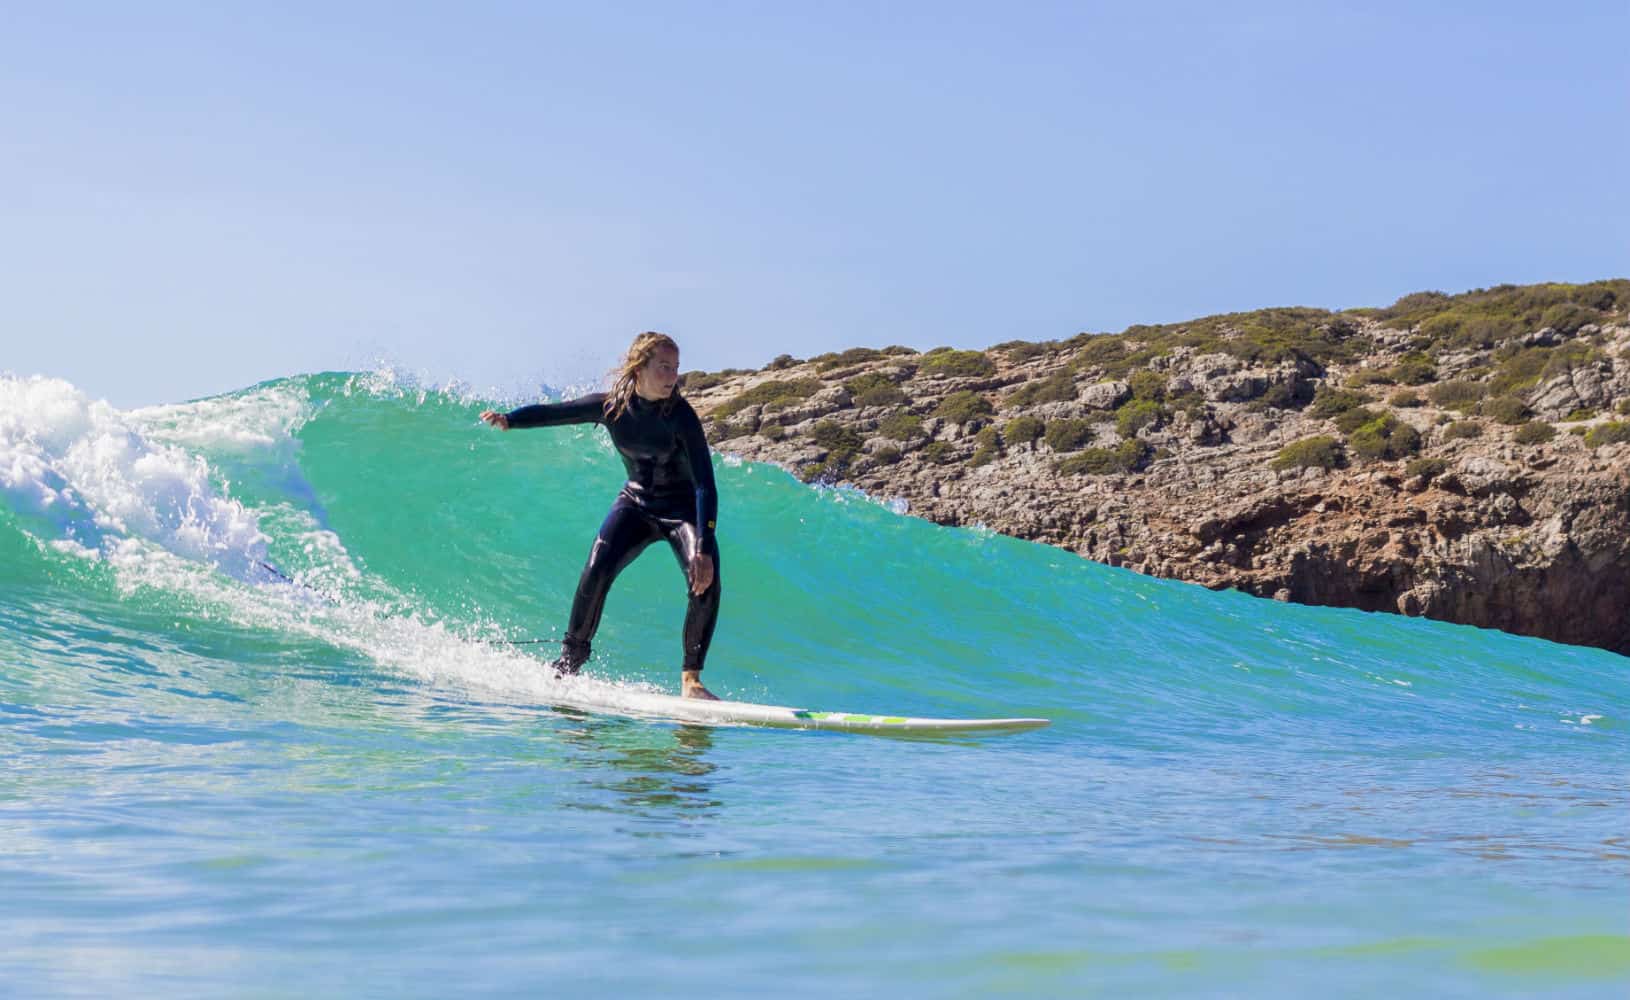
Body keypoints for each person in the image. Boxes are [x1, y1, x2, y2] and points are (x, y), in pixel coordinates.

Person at [480, 332, 722, 700]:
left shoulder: (682, 417)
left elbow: (705, 483)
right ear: (640, 367)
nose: (673, 376)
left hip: (682, 508)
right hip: (637, 503)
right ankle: (568, 663)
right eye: (664, 367)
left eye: (676, 368)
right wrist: (511, 420)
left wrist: (704, 547)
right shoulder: (612, 407)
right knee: (596, 568)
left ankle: (691, 679)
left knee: (705, 578)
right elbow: (558, 412)